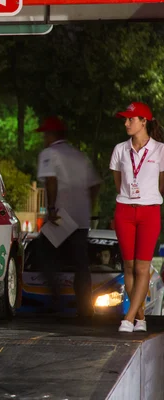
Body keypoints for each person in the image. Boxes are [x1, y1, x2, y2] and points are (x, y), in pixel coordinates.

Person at [35, 116, 101, 318]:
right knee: (81, 263)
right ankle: (85, 308)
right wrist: (87, 206)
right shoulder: (79, 155)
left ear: (51, 135)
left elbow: (51, 180)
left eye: (45, 135)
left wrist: (52, 208)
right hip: (81, 217)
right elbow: (95, 184)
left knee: (42, 252)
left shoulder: (49, 153)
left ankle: (55, 299)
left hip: (61, 216)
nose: (43, 139)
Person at [110, 102, 164, 333]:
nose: (126, 123)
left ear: (144, 121)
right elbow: (118, 182)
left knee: (143, 268)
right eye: (125, 119)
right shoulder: (120, 149)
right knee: (129, 267)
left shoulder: (160, 150)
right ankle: (140, 317)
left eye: (130, 119)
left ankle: (128, 317)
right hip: (124, 210)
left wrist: (147, 197)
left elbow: (161, 185)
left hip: (150, 211)